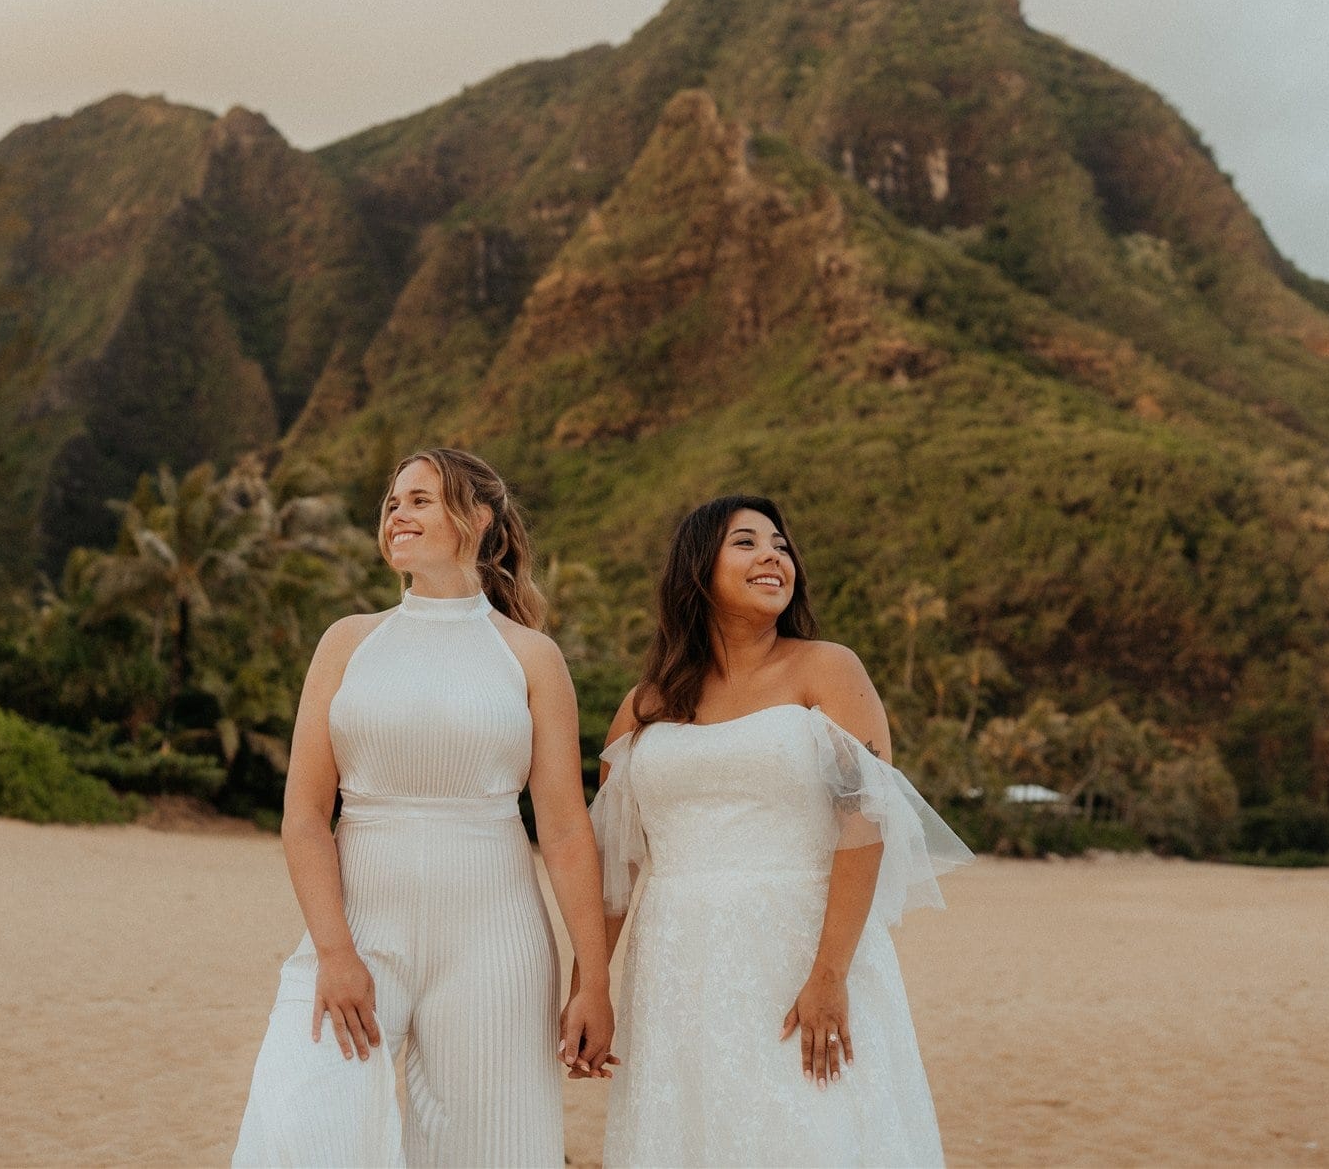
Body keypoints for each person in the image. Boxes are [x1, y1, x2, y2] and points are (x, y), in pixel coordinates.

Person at [233, 448, 614, 1168]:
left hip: (494, 943)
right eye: (391, 502)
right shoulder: (348, 642)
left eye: (419, 499)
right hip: (356, 932)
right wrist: (337, 951)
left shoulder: (532, 657)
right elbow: (306, 816)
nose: (398, 512)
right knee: (304, 1126)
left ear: (477, 518)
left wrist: (591, 978)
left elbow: (563, 829)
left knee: (490, 1153)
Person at [589, 494, 973, 1168]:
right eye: (747, 541)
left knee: (810, 1131)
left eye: (781, 544)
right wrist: (589, 982)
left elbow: (866, 820)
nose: (773, 554)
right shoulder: (645, 704)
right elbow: (614, 861)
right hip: (675, 962)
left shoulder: (827, 668)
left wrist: (829, 975)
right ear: (696, 570)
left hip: (798, 947)